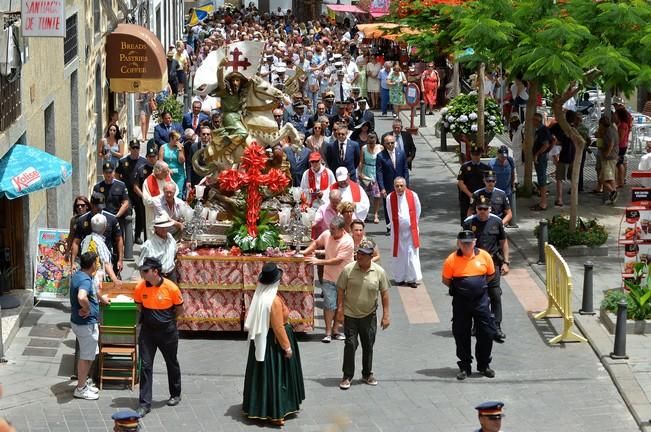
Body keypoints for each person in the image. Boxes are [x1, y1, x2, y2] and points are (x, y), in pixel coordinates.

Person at [242, 263, 305, 427]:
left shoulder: (261, 296)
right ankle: (276, 412)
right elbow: (278, 327)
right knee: (276, 377)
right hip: (274, 345)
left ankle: (258, 407)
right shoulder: (274, 301)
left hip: (262, 341)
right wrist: (287, 347)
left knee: (261, 376)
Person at [335, 239, 390, 390]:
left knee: (368, 345)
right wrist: (339, 311)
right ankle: (347, 375)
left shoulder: (379, 272)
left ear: (371, 256)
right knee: (350, 344)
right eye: (358, 253)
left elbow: (384, 294)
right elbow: (340, 290)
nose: (359, 256)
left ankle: (367, 374)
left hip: (369, 315)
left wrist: (386, 315)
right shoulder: (348, 269)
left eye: (363, 254)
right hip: (350, 314)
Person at [441, 231, 497, 380]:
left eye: (469, 242)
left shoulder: (484, 256)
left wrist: (478, 286)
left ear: (475, 242)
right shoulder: (451, 260)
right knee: (461, 333)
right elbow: (446, 280)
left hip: (481, 301)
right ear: (458, 243)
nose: (467, 245)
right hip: (461, 303)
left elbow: (491, 274)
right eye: (464, 243)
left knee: (486, 332)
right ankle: (465, 366)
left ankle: (484, 365)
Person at [133, 257, 184, 418]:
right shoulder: (140, 287)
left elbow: (179, 309)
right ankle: (144, 404)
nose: (143, 273)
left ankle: (175, 393)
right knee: (146, 366)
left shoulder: (172, 288)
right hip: (148, 332)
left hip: (167, 332)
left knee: (171, 362)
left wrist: (167, 322)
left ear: (156, 272)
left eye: (146, 271)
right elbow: (138, 305)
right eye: (143, 270)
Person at [463, 196, 509, 342]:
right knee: (476, 296)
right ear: (475, 209)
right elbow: (463, 245)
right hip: (474, 266)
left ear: (490, 209)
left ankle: (496, 327)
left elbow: (503, 243)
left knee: (495, 295)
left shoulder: (496, 222)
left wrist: (506, 262)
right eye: (479, 209)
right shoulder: (469, 223)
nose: (482, 212)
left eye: (485, 209)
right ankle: (477, 325)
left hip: (492, 264)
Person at [303, 216, 355, 343]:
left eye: (333, 229)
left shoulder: (348, 241)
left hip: (344, 279)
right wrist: (305, 252)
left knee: (341, 306)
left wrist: (318, 261)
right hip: (328, 277)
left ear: (342, 230)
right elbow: (316, 243)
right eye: (330, 228)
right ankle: (327, 332)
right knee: (329, 305)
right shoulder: (327, 234)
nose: (330, 231)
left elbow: (338, 260)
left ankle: (336, 330)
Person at [70, 252, 110, 400]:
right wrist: (86, 308)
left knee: (88, 355)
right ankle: (80, 388)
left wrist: (101, 299)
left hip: (80, 323)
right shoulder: (85, 280)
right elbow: (82, 296)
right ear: (92, 264)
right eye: (97, 262)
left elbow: (92, 291)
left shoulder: (81, 275)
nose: (98, 264)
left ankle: (82, 383)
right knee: (86, 357)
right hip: (86, 325)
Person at [71, 193, 124, 278]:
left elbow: (119, 239)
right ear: (91, 205)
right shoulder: (82, 220)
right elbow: (76, 242)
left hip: (108, 259)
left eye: (101, 207)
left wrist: (120, 260)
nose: (99, 209)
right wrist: (72, 262)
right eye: (97, 207)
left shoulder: (111, 219)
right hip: (88, 263)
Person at [386, 177, 422, 288]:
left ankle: (412, 279)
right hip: (397, 232)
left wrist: (412, 224)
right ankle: (399, 278)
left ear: (405, 186)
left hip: (411, 231)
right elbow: (390, 213)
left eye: (401, 185)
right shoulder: (389, 197)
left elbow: (418, 210)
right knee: (399, 254)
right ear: (394, 187)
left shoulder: (413, 195)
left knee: (411, 254)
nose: (399, 188)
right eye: (397, 186)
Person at [116, 140, 148, 245]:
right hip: (127, 192)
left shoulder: (144, 161)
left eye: (137, 148)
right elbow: (117, 174)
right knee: (127, 214)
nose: (135, 150)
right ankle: (128, 236)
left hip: (139, 192)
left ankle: (137, 236)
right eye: (133, 148)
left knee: (140, 214)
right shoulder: (123, 161)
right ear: (129, 148)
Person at [376, 133, 410, 228]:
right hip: (388, 185)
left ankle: (401, 224)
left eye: (392, 143)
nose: (390, 145)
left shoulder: (401, 153)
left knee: (401, 204)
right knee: (389, 205)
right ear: (384, 144)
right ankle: (389, 226)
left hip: (400, 184)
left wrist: (406, 184)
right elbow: (379, 173)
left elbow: (405, 170)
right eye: (388, 143)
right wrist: (382, 188)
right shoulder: (380, 156)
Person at [549, 111, 578, 208]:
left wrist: (557, 142)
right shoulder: (575, 128)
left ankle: (560, 199)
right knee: (573, 178)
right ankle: (574, 199)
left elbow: (550, 131)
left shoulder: (561, 127)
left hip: (564, 155)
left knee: (559, 178)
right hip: (574, 155)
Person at [138, 214, 178, 282]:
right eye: (161, 227)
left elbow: (175, 252)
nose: (164, 229)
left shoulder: (170, 238)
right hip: (156, 277)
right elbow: (142, 266)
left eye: (166, 227)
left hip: (171, 275)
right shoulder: (148, 245)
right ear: (156, 228)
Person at [143, 162, 176, 235]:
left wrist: (170, 196)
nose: (168, 173)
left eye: (168, 170)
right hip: (154, 216)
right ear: (158, 172)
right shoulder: (148, 182)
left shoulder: (167, 177)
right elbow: (146, 201)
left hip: (168, 215)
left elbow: (175, 190)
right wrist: (162, 198)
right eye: (165, 171)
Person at [358, 132, 383, 224]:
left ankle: (376, 214)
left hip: (376, 171)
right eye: (369, 140)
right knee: (366, 195)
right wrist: (360, 172)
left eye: (373, 140)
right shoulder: (364, 148)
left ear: (376, 140)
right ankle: (366, 213)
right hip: (366, 172)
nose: (371, 142)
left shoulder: (380, 148)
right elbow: (361, 161)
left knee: (377, 195)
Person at [529, 113, 552, 211]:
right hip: (541, 157)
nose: (532, 122)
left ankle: (543, 203)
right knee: (540, 178)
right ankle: (543, 201)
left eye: (534, 120)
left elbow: (546, 144)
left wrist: (537, 154)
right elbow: (553, 140)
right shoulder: (540, 130)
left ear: (537, 121)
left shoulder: (543, 130)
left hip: (541, 158)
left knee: (542, 179)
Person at [598, 114, 620, 205]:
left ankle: (613, 192)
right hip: (612, 157)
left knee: (604, 179)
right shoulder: (612, 130)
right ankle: (613, 196)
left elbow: (611, 143)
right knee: (609, 178)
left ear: (602, 124)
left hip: (609, 158)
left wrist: (606, 154)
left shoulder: (609, 132)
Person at [158, 131, 186, 199]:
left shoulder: (180, 147)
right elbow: (160, 161)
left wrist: (180, 150)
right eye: (176, 139)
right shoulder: (163, 147)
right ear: (171, 138)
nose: (178, 141)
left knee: (178, 193)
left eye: (179, 140)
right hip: (167, 173)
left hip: (179, 175)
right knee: (168, 193)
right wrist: (167, 169)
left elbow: (181, 161)